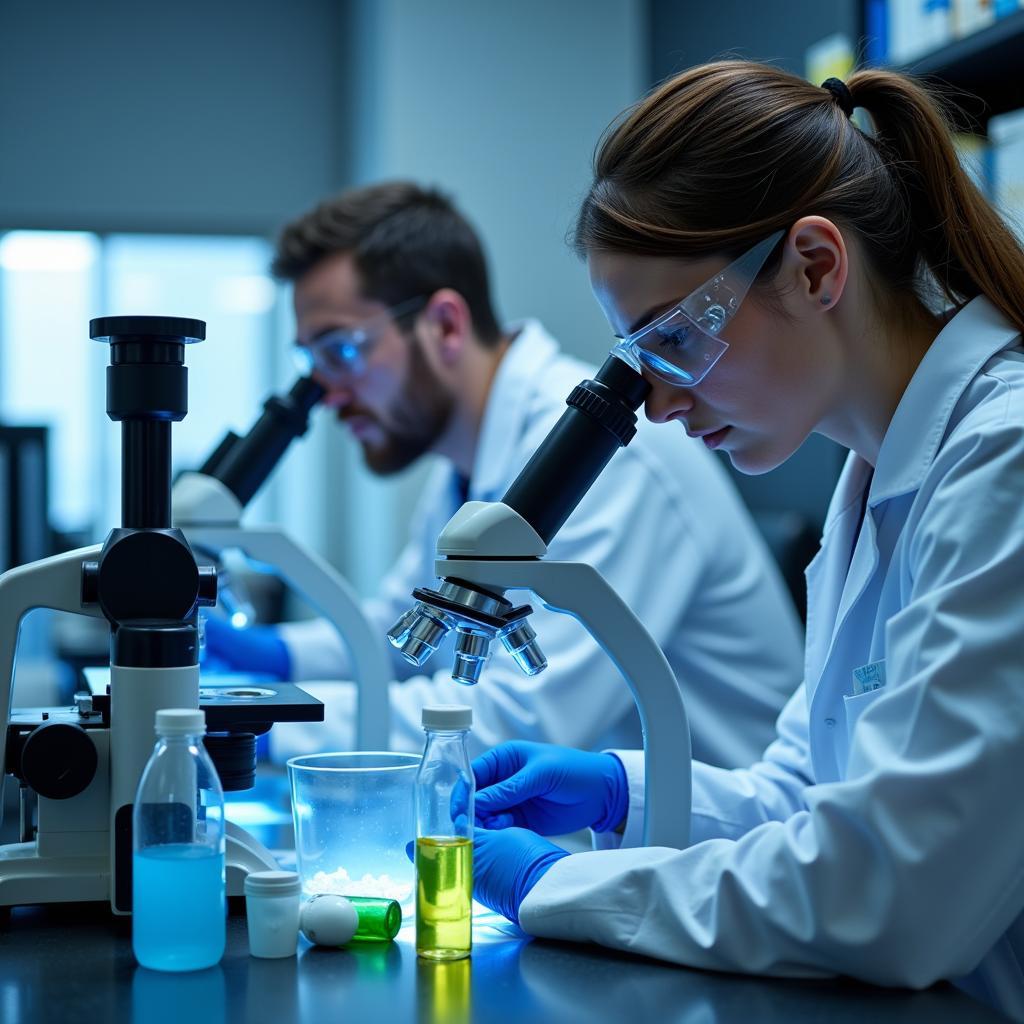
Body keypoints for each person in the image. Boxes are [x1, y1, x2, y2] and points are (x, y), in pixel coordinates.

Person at [465, 62, 1024, 1020]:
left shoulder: (1003, 462)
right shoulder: (874, 487)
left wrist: (550, 886)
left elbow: (891, 897)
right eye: (639, 365)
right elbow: (811, 803)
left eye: (673, 341)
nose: (663, 406)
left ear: (815, 266)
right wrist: (619, 793)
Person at [204, 181, 803, 764]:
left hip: (701, 840)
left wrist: (263, 723)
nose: (327, 395)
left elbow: (520, 721)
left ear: (443, 324)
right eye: (310, 365)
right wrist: (266, 659)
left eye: (342, 351)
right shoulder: (467, 467)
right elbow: (396, 638)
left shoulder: (611, 458)